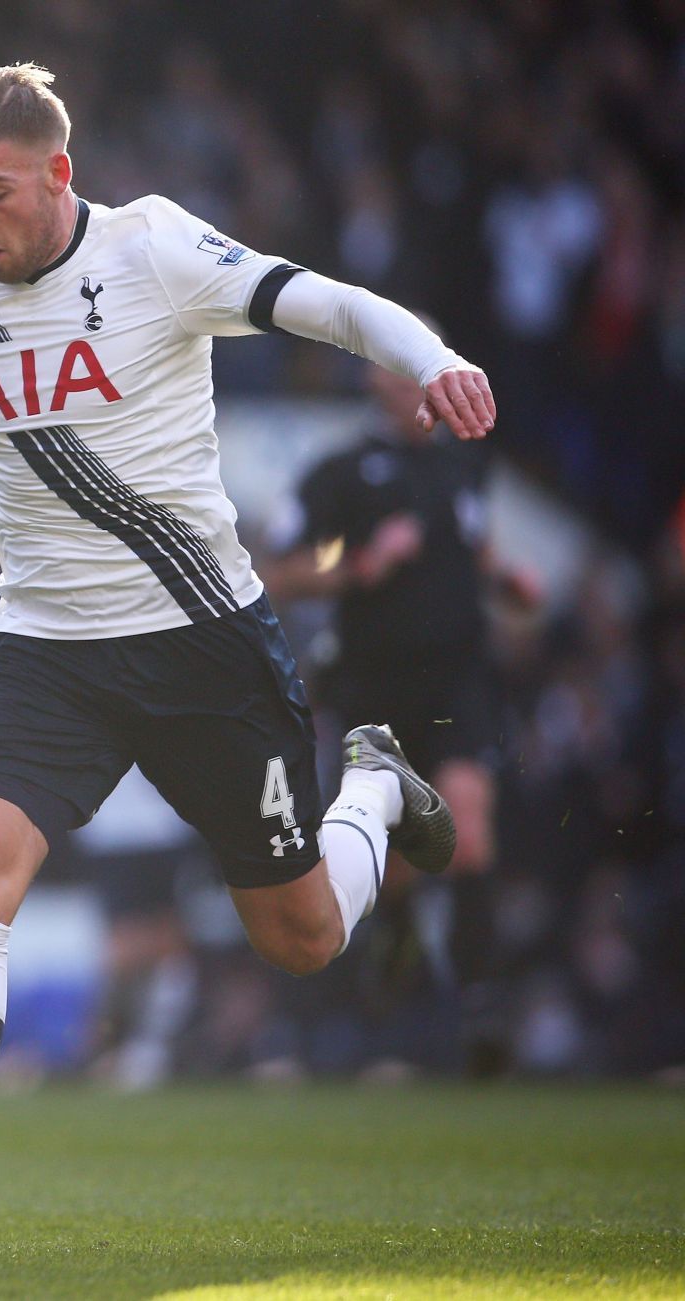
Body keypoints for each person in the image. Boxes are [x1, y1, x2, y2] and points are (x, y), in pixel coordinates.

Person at [0, 65, 494, 1248]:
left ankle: (378, 786)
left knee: (299, 939)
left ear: (58, 173)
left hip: (206, 645)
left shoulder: (155, 250)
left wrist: (427, 355)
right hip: (48, 650)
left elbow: (329, 303)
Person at [265, 346, 540, 1073]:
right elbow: (282, 569)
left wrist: (509, 580)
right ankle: (396, 991)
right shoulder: (342, 473)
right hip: (373, 690)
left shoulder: (463, 465)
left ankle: (482, 1007)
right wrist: (358, 564)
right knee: (400, 867)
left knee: (470, 828)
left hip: (459, 681)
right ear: (378, 378)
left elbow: (474, 550)